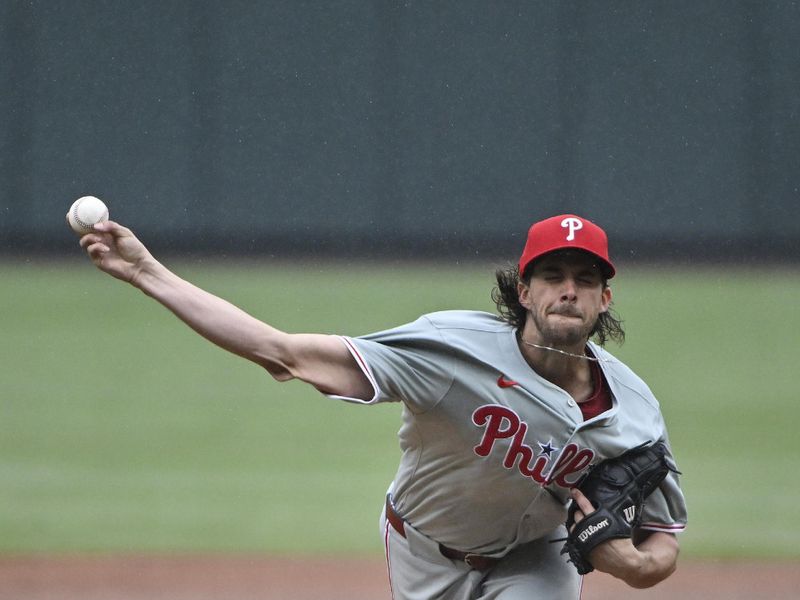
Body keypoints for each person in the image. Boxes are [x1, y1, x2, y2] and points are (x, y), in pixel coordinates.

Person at [76, 213, 687, 599]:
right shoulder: (453, 351)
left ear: (606, 298)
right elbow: (281, 352)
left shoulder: (633, 411)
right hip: (424, 548)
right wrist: (147, 272)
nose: (568, 289)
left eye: (585, 278)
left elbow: (664, 539)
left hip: (540, 555)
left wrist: (632, 566)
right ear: (523, 291)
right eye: (553, 274)